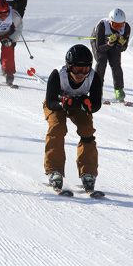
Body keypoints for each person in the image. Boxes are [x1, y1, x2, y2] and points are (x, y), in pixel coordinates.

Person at [43, 44, 102, 193]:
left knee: (87, 130)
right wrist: (62, 102)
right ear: (69, 67)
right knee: (57, 128)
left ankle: (88, 172)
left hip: (78, 105)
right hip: (58, 104)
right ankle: (54, 170)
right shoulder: (57, 74)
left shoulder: (94, 77)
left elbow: (96, 104)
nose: (81, 74)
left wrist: (87, 104)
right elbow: (50, 101)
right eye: (77, 69)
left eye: (85, 69)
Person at [90, 8, 131, 102]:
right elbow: (99, 47)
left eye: (121, 25)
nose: (118, 27)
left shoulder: (126, 28)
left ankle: (119, 90)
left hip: (112, 44)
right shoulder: (102, 26)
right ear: (110, 22)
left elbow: (124, 48)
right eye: (115, 24)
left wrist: (120, 45)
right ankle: (97, 91)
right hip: (99, 42)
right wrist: (109, 44)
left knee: (116, 64)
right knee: (101, 62)